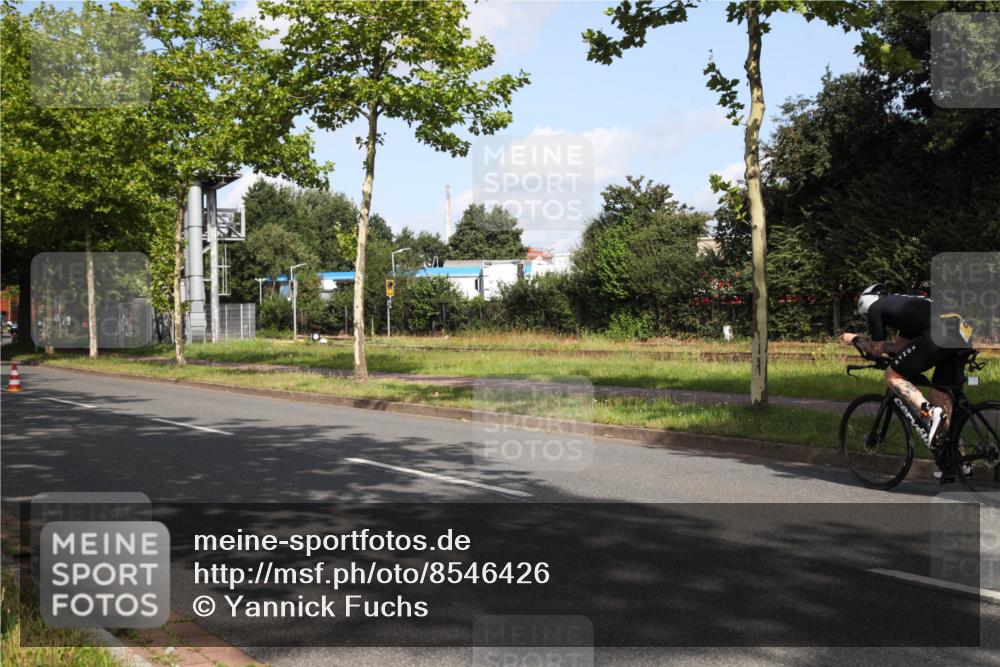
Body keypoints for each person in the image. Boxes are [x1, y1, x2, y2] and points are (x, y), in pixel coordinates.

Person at [841, 284, 972, 468]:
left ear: (865, 303)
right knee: (940, 397)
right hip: (961, 333)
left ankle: (929, 411)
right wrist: (883, 347)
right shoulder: (905, 306)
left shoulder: (875, 308)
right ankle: (961, 462)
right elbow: (898, 348)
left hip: (938, 333)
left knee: (893, 376)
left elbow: (876, 351)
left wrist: (855, 339)